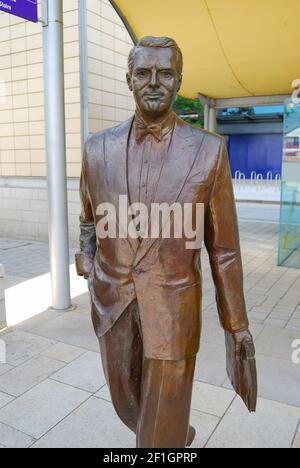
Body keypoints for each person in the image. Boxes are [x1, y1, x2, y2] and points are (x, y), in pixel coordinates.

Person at [76, 36, 256, 448]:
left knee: (157, 434)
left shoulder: (210, 152)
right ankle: (174, 434)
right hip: (113, 304)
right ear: (128, 79)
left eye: (165, 74)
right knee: (127, 403)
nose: (153, 82)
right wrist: (87, 262)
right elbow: (88, 220)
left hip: (174, 307)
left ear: (179, 81)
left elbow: (224, 250)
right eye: (143, 73)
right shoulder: (96, 149)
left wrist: (237, 325)